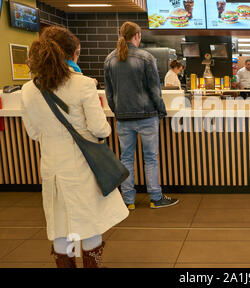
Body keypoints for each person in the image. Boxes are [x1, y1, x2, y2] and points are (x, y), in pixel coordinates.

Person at [21, 26, 129, 268]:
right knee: (89, 225)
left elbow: (33, 133)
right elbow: (101, 130)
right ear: (73, 54)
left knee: (61, 226)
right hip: (83, 168)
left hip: (52, 169)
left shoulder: (28, 90)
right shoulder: (82, 85)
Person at [104, 21, 179, 210]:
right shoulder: (146, 58)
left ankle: (128, 201)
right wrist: (161, 110)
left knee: (126, 158)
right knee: (150, 158)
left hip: (123, 118)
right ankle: (155, 197)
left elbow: (109, 93)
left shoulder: (110, 59)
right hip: (147, 116)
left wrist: (118, 111)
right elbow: (155, 90)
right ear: (137, 36)